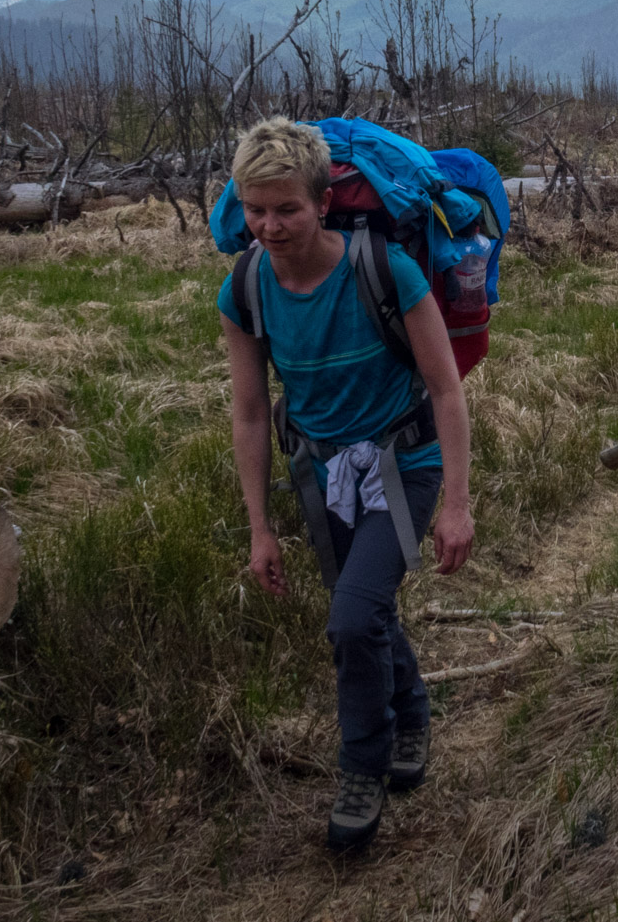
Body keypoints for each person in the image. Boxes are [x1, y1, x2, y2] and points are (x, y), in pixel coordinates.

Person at [217, 117, 475, 852]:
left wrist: (457, 504)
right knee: (366, 611)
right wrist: (259, 525)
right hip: (320, 474)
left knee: (351, 618)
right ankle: (414, 712)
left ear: (322, 203)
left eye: (286, 208)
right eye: (255, 209)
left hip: (406, 466)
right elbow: (249, 411)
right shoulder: (244, 289)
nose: (268, 225)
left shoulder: (386, 269)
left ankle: (362, 766)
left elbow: (446, 390)